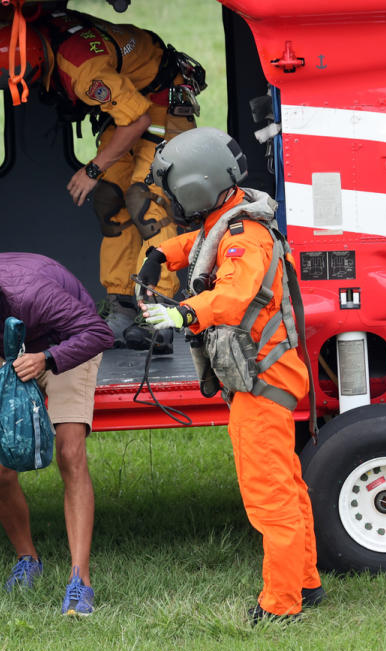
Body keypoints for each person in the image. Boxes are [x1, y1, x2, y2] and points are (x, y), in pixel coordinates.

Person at [136, 127, 323, 624]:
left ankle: (281, 604)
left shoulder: (245, 238)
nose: (174, 201)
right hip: (269, 377)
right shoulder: (234, 218)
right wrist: (161, 255)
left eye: (175, 191)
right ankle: (306, 581)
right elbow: (203, 242)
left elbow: (234, 296)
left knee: (270, 497)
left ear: (196, 187)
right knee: (288, 486)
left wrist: (182, 313)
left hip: (261, 383)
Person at [0, 6, 205, 351]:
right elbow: (6, 15)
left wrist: (92, 168)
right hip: (131, 102)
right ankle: (122, 305)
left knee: (146, 200)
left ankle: (159, 311)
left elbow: (137, 120)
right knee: (111, 199)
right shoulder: (31, 25)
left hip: (161, 104)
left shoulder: (84, 72)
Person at [0, 253, 114, 616]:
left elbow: (99, 333)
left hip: (67, 344)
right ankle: (28, 558)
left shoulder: (35, 296)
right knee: (0, 470)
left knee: (70, 452)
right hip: (12, 346)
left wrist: (48, 358)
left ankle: (80, 579)